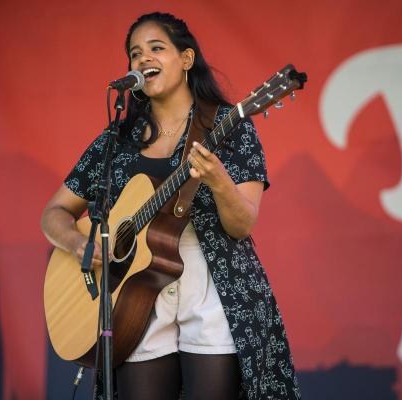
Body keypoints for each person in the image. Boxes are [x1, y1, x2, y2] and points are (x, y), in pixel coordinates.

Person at [41, 11, 300, 400]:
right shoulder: (117, 140)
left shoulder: (229, 125)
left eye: (156, 48)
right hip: (133, 293)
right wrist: (79, 245)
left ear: (186, 59)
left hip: (213, 284)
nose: (143, 59)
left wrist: (218, 181)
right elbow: (54, 213)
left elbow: (242, 223)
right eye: (135, 53)